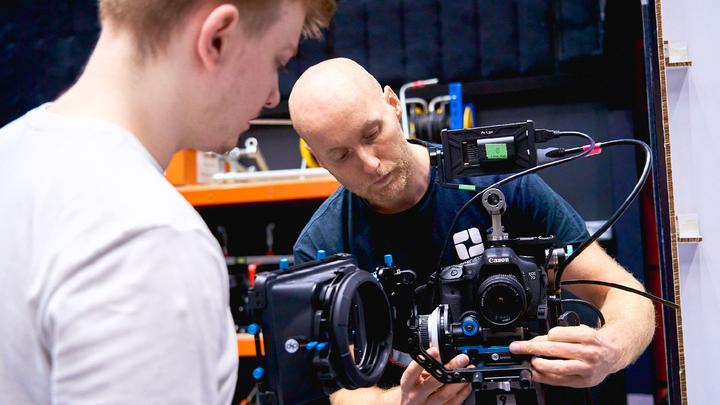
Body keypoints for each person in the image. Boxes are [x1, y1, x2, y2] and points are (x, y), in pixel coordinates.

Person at [0, 1, 335, 403]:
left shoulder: (12, 153)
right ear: (217, 39)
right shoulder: (147, 238)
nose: (271, 96)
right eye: (278, 62)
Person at [289, 58, 655, 404]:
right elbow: (341, 393)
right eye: (341, 156)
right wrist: (401, 401)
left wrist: (610, 350)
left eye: (372, 133)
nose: (369, 163)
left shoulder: (498, 183)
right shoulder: (323, 246)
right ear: (318, 159)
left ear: (392, 104)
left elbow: (626, 297)